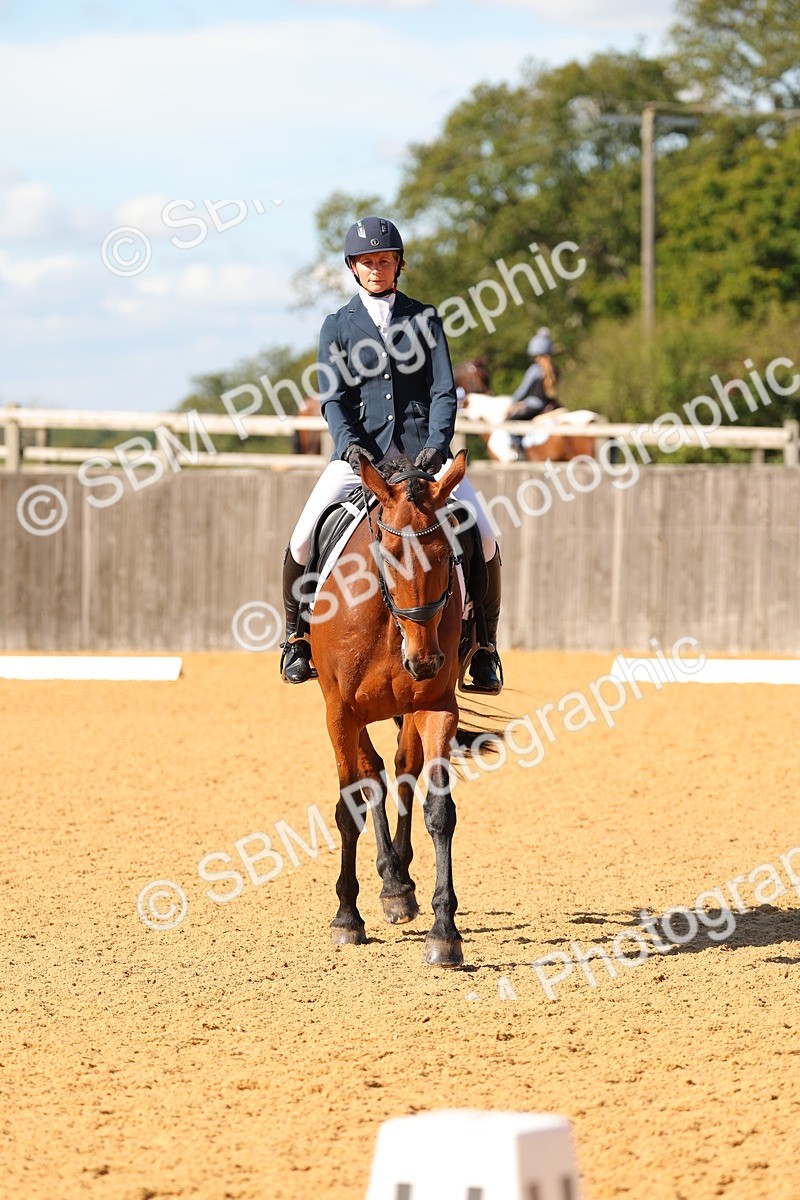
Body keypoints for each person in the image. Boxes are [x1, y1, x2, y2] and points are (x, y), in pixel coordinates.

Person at [280, 215, 503, 693]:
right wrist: (351, 447)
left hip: (425, 456)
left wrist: (436, 447)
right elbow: (333, 399)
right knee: (303, 538)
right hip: (361, 458)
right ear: (354, 269)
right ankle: (296, 638)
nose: (376, 269)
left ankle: (485, 647)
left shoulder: (424, 318)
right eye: (367, 262)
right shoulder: (336, 326)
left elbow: (444, 390)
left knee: (484, 535)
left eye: (384, 260)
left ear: (398, 265)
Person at [487, 327, 560, 463]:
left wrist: (513, 403)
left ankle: (519, 449)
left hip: (534, 404)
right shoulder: (554, 369)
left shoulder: (534, 370)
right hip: (549, 404)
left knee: (509, 422)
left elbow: (522, 391)